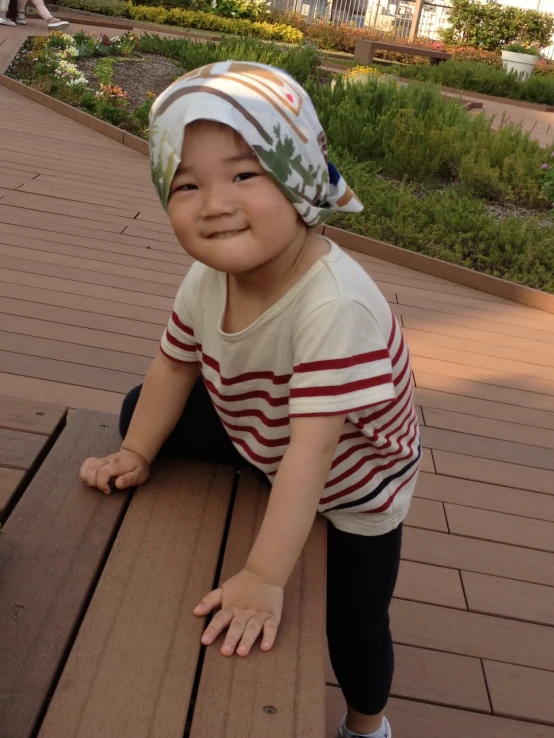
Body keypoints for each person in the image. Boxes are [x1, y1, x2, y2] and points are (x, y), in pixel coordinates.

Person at [80, 62, 421, 738]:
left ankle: (369, 723)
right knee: (137, 409)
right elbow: (174, 366)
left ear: (298, 178)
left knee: (355, 626)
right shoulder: (207, 277)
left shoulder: (335, 306)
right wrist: (137, 451)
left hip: (352, 479)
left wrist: (265, 576)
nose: (214, 203)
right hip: (263, 430)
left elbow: (313, 454)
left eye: (243, 174)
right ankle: (229, 464)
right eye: (186, 183)